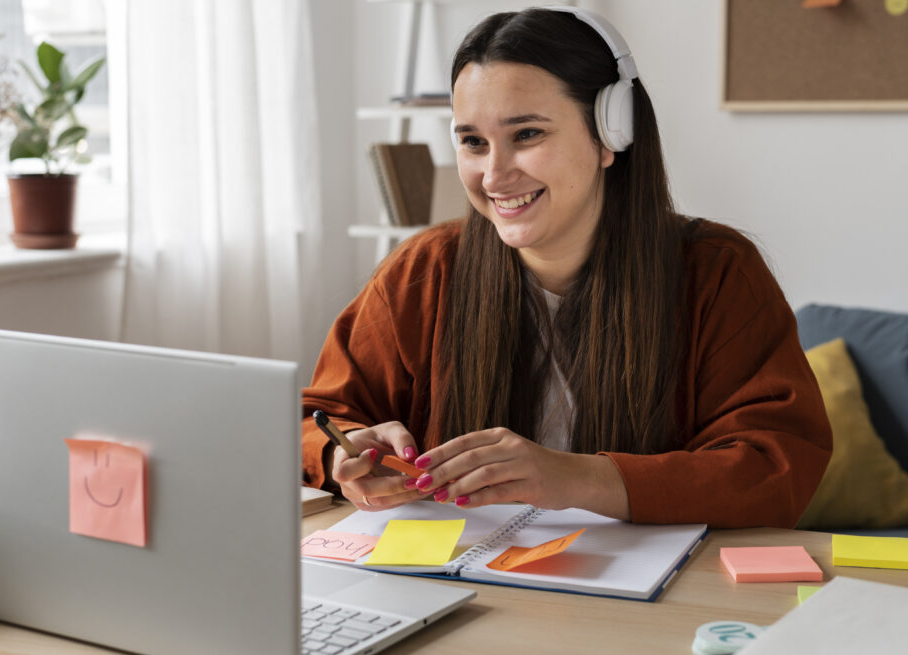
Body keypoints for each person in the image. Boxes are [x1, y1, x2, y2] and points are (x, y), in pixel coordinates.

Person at [302, 7, 831, 527]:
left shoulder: (718, 273)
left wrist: (578, 478)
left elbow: (777, 464)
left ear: (610, 134)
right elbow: (312, 419)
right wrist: (339, 453)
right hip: (460, 576)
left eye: (527, 134)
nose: (494, 175)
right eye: (473, 142)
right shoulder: (423, 271)